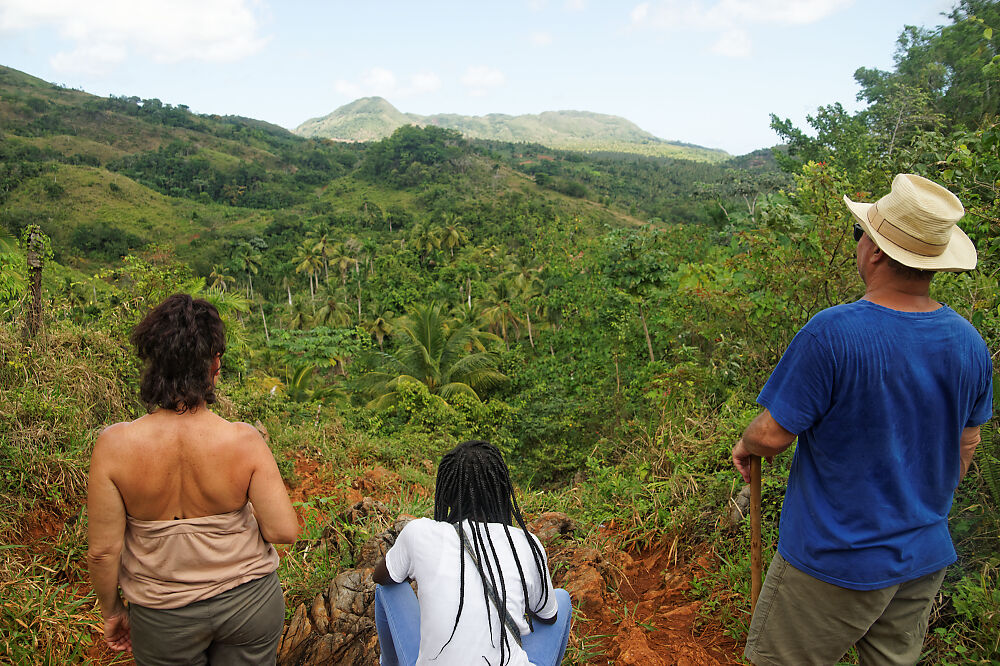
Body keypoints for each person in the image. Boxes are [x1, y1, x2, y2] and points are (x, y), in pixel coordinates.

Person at [731, 173, 993, 666]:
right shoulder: (969, 343)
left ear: (873, 251)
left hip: (835, 558)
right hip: (922, 555)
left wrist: (747, 443)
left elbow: (771, 435)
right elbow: (968, 442)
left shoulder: (833, 333)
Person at [87, 293, 300, 664]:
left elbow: (103, 551)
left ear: (155, 362)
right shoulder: (244, 441)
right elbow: (284, 531)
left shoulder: (113, 446)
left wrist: (112, 611)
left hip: (162, 614)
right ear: (214, 364)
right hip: (249, 605)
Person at [372, 439, 572, 666]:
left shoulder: (419, 533)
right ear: (502, 490)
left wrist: (415, 568)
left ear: (445, 494)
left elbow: (380, 576)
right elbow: (549, 615)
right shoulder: (526, 544)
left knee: (388, 587)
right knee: (562, 599)